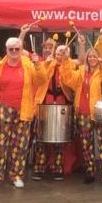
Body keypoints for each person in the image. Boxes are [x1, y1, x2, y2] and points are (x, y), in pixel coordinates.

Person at [0, 37, 46, 190]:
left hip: (23, 110)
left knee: (20, 145)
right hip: (2, 109)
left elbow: (40, 81)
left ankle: (16, 175)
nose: (15, 52)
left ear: (21, 48)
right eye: (11, 49)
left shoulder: (29, 65)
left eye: (17, 48)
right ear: (6, 50)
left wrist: (38, 65)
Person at [59, 42, 102, 185]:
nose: (92, 58)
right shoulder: (81, 71)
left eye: (95, 56)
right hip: (83, 111)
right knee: (86, 144)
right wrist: (65, 60)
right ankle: (90, 172)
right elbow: (68, 79)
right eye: (90, 56)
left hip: (100, 111)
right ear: (87, 58)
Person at [32, 44, 74, 181]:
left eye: (62, 53)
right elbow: (40, 79)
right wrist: (48, 65)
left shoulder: (69, 66)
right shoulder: (46, 64)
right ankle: (39, 167)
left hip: (62, 102)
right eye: (58, 53)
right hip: (45, 102)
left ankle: (58, 168)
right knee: (41, 137)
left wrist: (65, 63)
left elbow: (70, 83)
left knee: (59, 138)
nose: (59, 55)